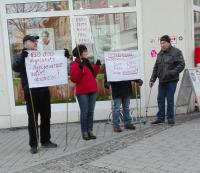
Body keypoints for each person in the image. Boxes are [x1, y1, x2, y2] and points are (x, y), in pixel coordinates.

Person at [12, 35, 57, 154]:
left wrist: (62, 57)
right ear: (26, 43)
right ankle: (33, 144)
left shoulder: (39, 54)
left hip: (43, 90)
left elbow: (51, 63)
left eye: (36, 41)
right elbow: (15, 68)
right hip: (31, 92)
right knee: (33, 119)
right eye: (33, 41)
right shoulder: (20, 56)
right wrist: (22, 58)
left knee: (46, 117)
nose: (36, 42)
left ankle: (46, 140)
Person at [149, 35, 185, 125]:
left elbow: (181, 65)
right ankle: (160, 118)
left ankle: (170, 118)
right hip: (162, 80)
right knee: (160, 99)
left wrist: (171, 72)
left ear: (169, 42)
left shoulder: (176, 52)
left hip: (172, 80)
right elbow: (156, 67)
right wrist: (152, 79)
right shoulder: (160, 53)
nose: (162, 45)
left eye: (164, 43)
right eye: (161, 43)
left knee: (169, 99)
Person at [70, 44, 101, 140]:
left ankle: (90, 130)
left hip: (92, 90)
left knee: (90, 112)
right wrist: (80, 68)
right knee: (85, 112)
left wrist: (97, 65)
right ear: (80, 53)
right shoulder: (74, 64)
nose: (87, 53)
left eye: (87, 51)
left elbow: (93, 75)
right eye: (85, 51)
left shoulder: (87, 62)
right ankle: (84, 132)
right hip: (82, 92)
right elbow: (74, 79)